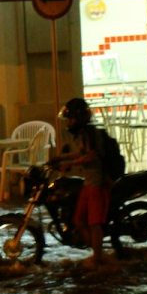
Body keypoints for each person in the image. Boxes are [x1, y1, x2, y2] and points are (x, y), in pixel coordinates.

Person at [52, 97, 113, 270]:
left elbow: (91, 156)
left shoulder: (90, 134)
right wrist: (60, 158)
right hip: (88, 183)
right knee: (78, 220)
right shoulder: (82, 135)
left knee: (94, 223)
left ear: (78, 118)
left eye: (70, 119)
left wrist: (70, 164)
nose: (68, 123)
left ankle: (98, 258)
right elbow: (80, 153)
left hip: (97, 184)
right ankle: (98, 253)